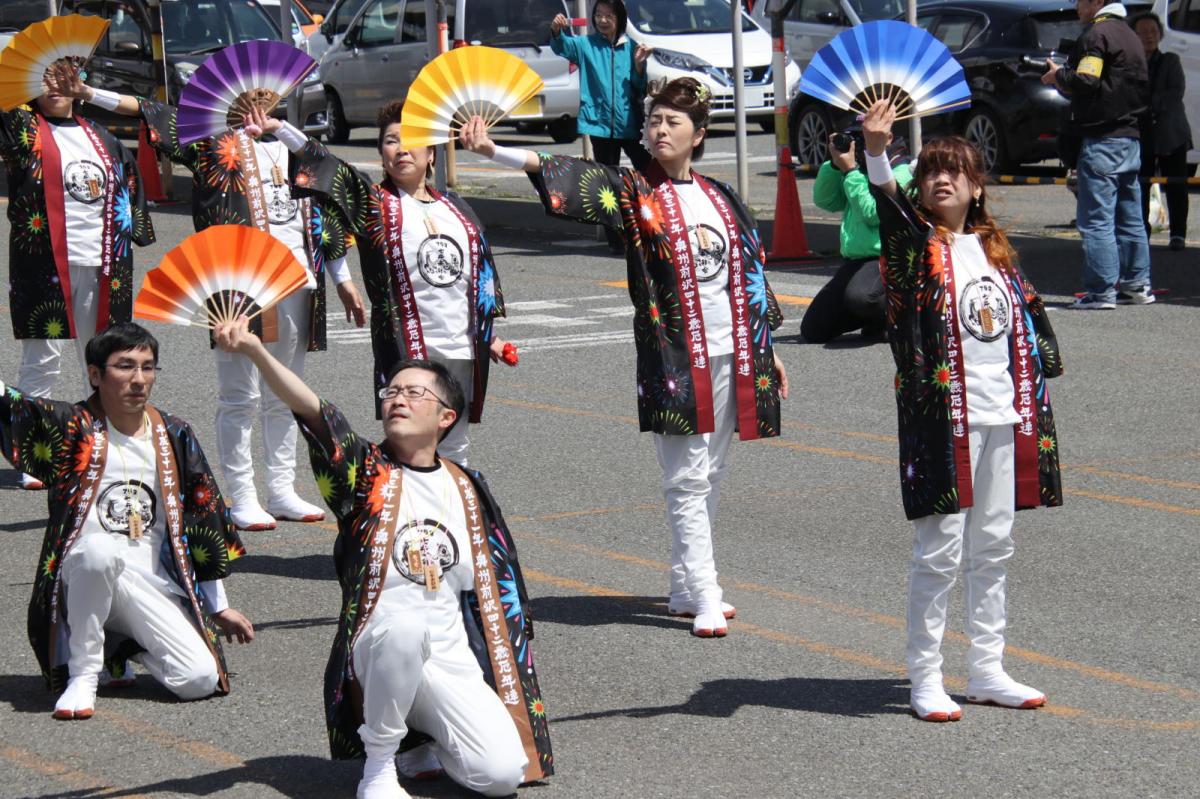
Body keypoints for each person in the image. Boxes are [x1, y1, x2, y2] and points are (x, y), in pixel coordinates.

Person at [461, 77, 789, 638]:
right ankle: (706, 591)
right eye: (654, 120)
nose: (660, 130)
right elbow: (575, 178)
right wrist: (497, 151)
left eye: (673, 122)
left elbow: (750, 271)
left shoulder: (721, 196)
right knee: (686, 476)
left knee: (712, 471)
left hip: (734, 349)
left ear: (698, 135)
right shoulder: (637, 191)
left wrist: (767, 348)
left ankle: (684, 586)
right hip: (675, 356)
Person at [213, 316, 552, 799]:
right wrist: (254, 350)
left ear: (446, 417)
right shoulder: (365, 472)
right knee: (405, 630)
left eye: (414, 393)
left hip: (449, 656)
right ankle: (379, 766)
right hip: (380, 644)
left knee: (499, 777)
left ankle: (421, 733)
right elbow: (315, 412)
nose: (397, 400)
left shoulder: (467, 486)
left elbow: (498, 586)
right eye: (391, 392)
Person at [860, 100, 1064, 722]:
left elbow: (1029, 331)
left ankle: (986, 669)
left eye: (954, 171)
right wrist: (876, 150)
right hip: (943, 419)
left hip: (1006, 414)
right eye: (930, 172)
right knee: (940, 549)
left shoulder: (995, 253)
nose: (940, 180)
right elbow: (890, 207)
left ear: (977, 187)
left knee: (994, 544)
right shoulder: (916, 244)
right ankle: (925, 676)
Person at [0, 323, 253, 720]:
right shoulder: (71, 427)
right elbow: (11, 405)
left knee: (199, 680)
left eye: (148, 367)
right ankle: (84, 674)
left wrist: (218, 606)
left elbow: (203, 519)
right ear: (95, 374)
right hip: (83, 576)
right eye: (125, 366)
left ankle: (119, 646)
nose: (139, 379)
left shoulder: (173, 433)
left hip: (150, 583)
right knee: (99, 552)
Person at [270, 101, 514, 466]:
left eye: (412, 139)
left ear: (431, 153)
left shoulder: (458, 208)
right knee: (411, 443)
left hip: (462, 348)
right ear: (381, 154)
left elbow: (477, 276)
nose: (401, 149)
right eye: (390, 141)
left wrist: (489, 335)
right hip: (408, 347)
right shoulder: (374, 204)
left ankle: (456, 501)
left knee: (455, 445)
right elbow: (330, 169)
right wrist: (279, 129)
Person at [2, 61, 156, 490]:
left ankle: (108, 444)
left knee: (107, 359)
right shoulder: (22, 129)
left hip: (105, 264)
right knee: (41, 360)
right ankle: (35, 454)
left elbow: (130, 191)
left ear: (78, 81)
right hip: (44, 264)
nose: (53, 86)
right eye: (42, 77)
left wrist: (134, 233)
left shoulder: (103, 138)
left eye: (61, 77)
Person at [1043, 0, 1152, 309]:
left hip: (1103, 138)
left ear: (1096, 2)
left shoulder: (1097, 34)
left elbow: (1087, 80)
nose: (1077, 8)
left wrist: (1058, 76)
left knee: (1097, 220)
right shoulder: (1129, 34)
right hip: (1130, 136)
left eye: (1080, 1)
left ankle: (1101, 291)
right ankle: (1137, 285)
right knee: (1131, 218)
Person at [550, 1, 653, 251]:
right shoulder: (586, 45)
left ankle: (653, 226)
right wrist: (557, 31)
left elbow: (639, 86)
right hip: (598, 124)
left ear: (620, 18)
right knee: (607, 184)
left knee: (650, 172)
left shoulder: (631, 47)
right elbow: (563, 46)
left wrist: (640, 65)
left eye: (609, 15)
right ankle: (616, 240)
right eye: (598, 15)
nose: (603, 20)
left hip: (630, 123)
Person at [802, 129, 912, 343]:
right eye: (857, 137)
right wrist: (835, 165)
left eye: (865, 137)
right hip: (856, 262)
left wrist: (851, 172)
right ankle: (871, 317)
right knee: (813, 330)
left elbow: (873, 213)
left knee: (863, 298)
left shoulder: (902, 171)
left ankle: (896, 318)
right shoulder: (861, 170)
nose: (859, 143)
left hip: (890, 260)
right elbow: (826, 200)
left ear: (889, 137)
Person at [1131, 11, 1191, 250]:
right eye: (1143, 32)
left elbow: (1175, 93)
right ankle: (1141, 232)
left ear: (1160, 35)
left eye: (1153, 32)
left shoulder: (1171, 60)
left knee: (1176, 184)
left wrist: (1146, 105)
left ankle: (1178, 234)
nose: (1149, 36)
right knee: (1140, 185)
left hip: (1171, 132)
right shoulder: (1131, 63)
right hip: (1141, 133)